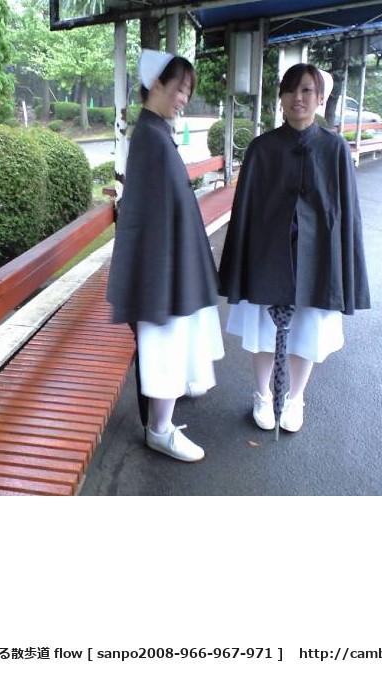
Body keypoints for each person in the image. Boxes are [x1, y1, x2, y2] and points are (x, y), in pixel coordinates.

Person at [217, 63, 371, 434]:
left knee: (308, 331)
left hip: (317, 258)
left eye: (306, 91)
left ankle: (295, 398)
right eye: (290, 90)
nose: (297, 98)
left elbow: (346, 213)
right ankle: (262, 395)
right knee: (262, 330)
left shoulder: (334, 148)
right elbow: (246, 210)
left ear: (320, 98)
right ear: (281, 98)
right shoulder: (262, 148)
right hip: (267, 255)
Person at [106, 50, 223, 462]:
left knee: (172, 342)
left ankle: (161, 422)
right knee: (165, 345)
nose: (184, 98)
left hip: (168, 262)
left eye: (188, 91)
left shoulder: (154, 133)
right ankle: (159, 430)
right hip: (163, 266)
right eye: (180, 89)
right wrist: (160, 277)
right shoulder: (152, 138)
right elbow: (148, 217)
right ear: (156, 84)